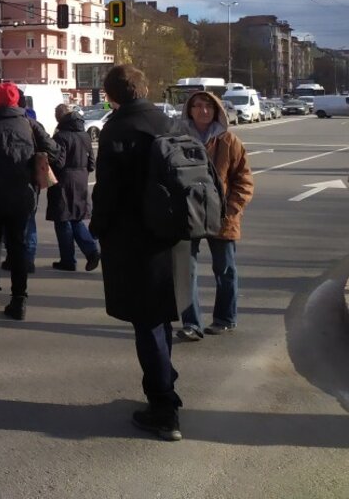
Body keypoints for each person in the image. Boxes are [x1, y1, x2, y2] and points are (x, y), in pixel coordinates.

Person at [90, 64, 186, 441]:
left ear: (111, 93)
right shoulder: (167, 122)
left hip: (134, 238)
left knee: (146, 322)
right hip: (171, 233)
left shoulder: (119, 128)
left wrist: (97, 229)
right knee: (160, 316)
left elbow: (108, 192)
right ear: (143, 87)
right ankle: (165, 383)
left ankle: (164, 406)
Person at [0, 81, 60, 321]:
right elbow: (55, 152)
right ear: (16, 101)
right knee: (18, 246)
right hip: (22, 195)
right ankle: (19, 299)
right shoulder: (29, 124)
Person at [176, 91, 254, 340]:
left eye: (208, 106)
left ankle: (225, 318)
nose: (203, 111)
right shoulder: (178, 140)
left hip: (221, 216)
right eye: (197, 106)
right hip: (188, 214)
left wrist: (231, 209)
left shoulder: (229, 141)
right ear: (189, 110)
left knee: (225, 269)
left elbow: (244, 180)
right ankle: (191, 323)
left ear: (217, 110)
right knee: (186, 271)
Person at [46, 103, 100, 272]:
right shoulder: (84, 135)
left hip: (63, 182)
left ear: (59, 117)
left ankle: (68, 260)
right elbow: (92, 163)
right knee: (76, 218)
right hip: (81, 180)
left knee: (62, 221)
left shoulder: (61, 136)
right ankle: (91, 250)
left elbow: (59, 162)